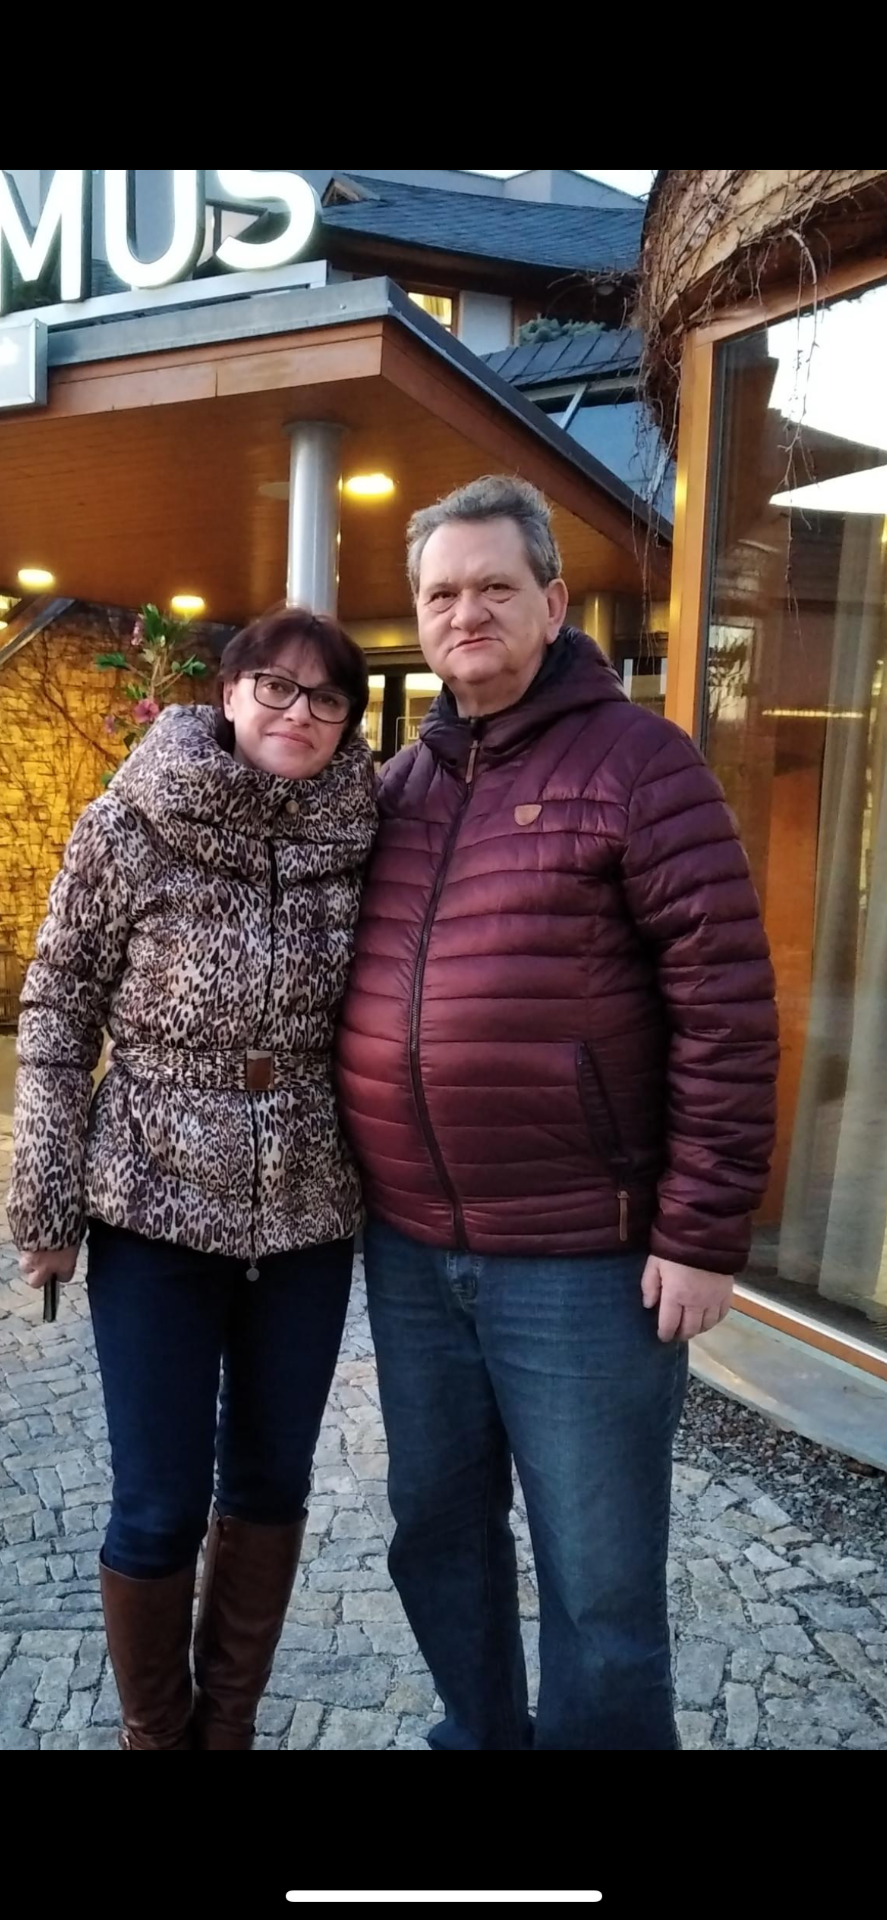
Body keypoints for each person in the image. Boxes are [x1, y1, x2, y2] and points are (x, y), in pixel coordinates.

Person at [336, 475, 778, 1751]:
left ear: (553, 600)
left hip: (583, 1261)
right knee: (436, 1533)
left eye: (493, 586)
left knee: (597, 1581)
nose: (464, 613)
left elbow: (725, 1010)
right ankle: (479, 1734)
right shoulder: (399, 788)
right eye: (440, 594)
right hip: (413, 1251)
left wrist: (699, 1232)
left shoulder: (641, 765)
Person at [9, 606, 377, 1750]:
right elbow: (58, 1010)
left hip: (307, 1212)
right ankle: (155, 1736)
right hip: (152, 1205)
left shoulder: (365, 831)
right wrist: (45, 1203)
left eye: (326, 698)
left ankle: (228, 1729)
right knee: (158, 1502)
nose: (298, 712)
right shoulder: (132, 822)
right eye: (275, 685)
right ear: (226, 692)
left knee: (269, 1485)